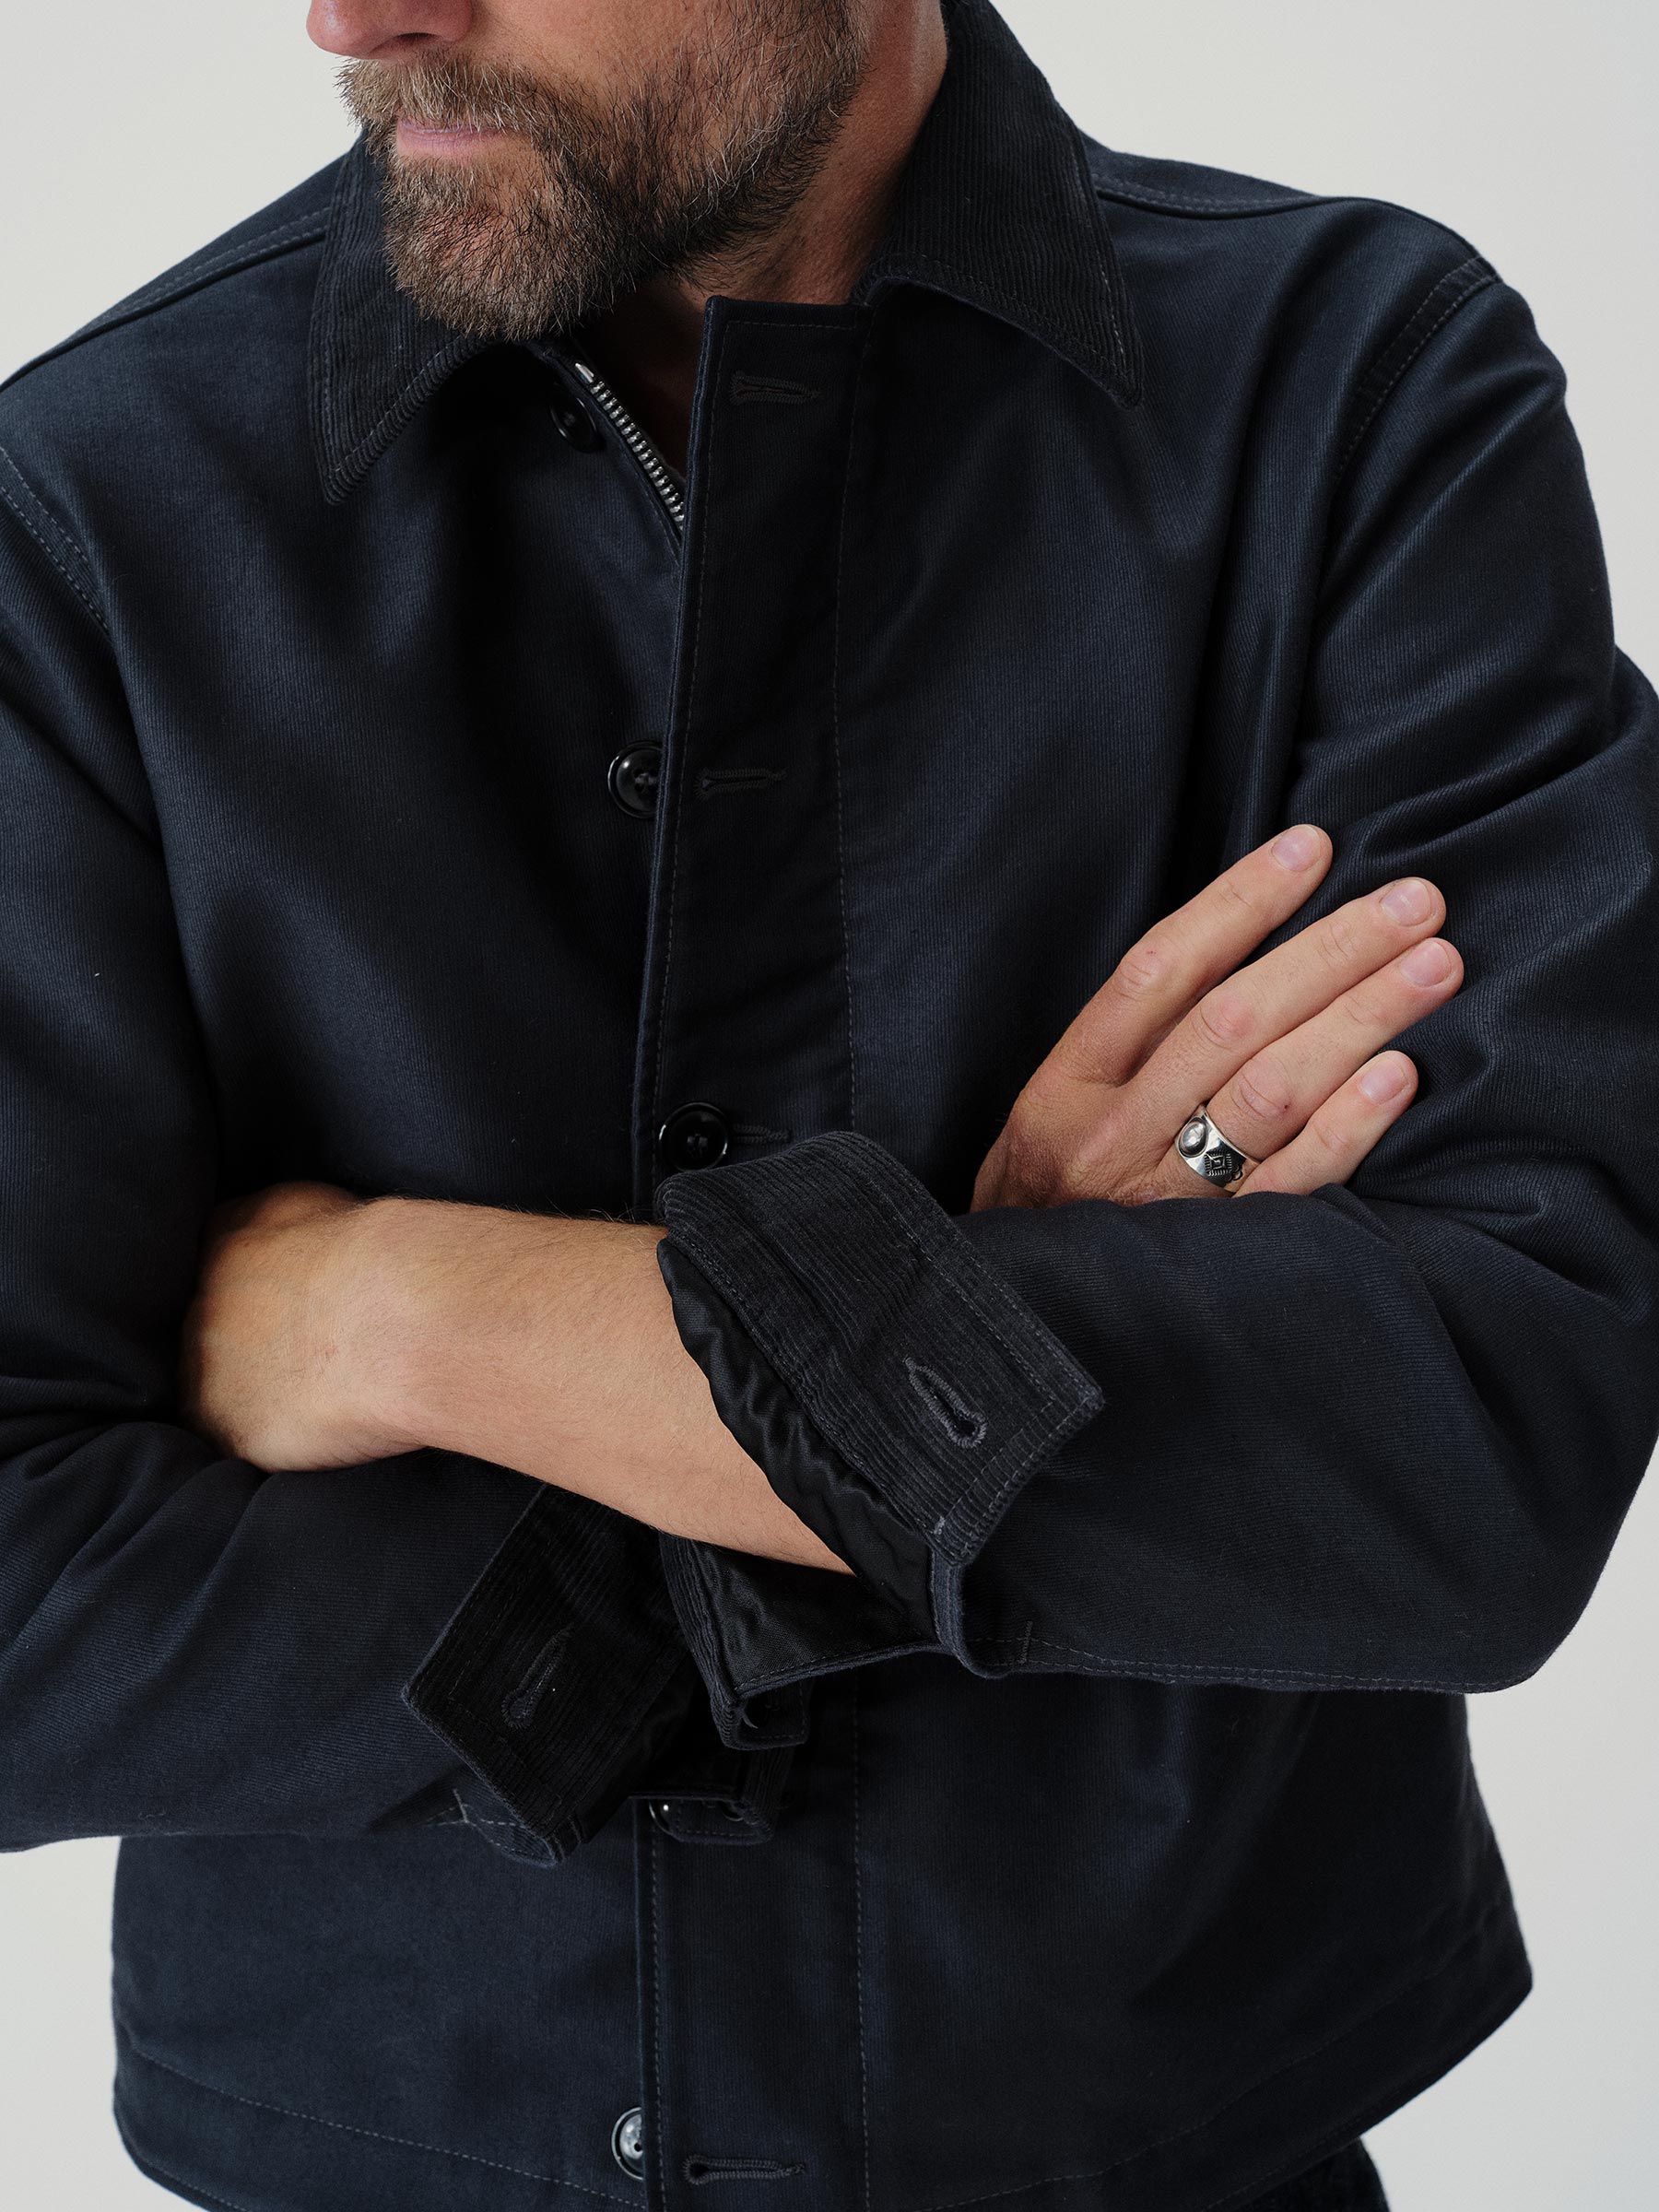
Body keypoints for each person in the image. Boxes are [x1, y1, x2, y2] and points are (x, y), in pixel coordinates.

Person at [0, 1, 1654, 2207]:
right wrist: (970, 1347)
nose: (354, 14)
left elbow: (1481, 1448)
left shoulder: (1352, 390)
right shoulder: (91, 503)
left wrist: (408, 1311)